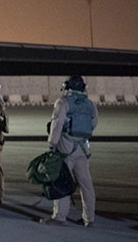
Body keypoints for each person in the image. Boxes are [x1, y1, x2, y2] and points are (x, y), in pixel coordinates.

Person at [40, 75, 98, 227]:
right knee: (86, 184)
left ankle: (60, 217)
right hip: (83, 148)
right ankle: (89, 218)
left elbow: (56, 124)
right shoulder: (90, 104)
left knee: (62, 180)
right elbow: (93, 124)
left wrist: (52, 144)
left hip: (66, 146)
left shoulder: (63, 102)